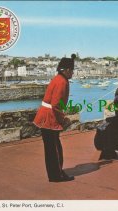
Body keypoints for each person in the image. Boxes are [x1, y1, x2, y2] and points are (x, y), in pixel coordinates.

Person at [33, 54, 76, 182]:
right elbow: (56, 105)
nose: (73, 73)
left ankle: (54, 174)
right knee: (55, 148)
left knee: (51, 148)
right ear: (66, 70)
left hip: (46, 115)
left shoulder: (58, 79)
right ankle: (57, 175)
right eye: (72, 70)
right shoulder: (62, 81)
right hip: (50, 117)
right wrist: (63, 119)